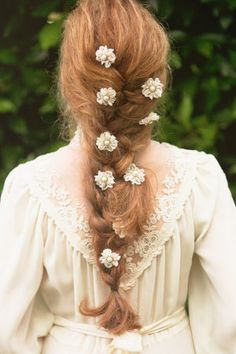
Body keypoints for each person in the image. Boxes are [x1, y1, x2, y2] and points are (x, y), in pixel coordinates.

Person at [0, 0, 236, 353]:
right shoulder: (200, 179)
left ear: (69, 82)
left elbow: (8, 328)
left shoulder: (31, 188)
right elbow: (228, 316)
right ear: (155, 81)